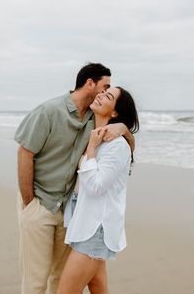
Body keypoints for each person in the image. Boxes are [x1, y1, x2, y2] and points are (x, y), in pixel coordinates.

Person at [14, 63, 134, 294]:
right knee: (35, 281)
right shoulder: (49, 111)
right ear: (90, 83)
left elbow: (122, 143)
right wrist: (29, 202)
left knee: (62, 279)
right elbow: (24, 152)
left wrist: (124, 129)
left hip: (71, 212)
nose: (104, 93)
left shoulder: (96, 120)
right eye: (105, 87)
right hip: (40, 204)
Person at [57, 86, 139, 294]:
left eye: (108, 96)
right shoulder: (97, 135)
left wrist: (92, 148)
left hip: (96, 229)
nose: (101, 94)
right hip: (87, 224)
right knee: (97, 287)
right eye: (104, 91)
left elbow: (95, 187)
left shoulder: (116, 146)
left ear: (115, 113)